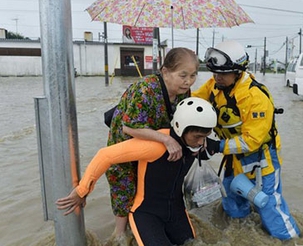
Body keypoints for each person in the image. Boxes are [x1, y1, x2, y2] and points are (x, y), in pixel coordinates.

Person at [56, 97, 219, 246]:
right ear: (180, 128)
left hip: (176, 212)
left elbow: (221, 146)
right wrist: (82, 191)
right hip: (147, 215)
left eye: (205, 136)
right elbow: (104, 156)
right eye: (197, 136)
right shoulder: (156, 146)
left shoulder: (197, 144)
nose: (201, 141)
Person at [193, 40, 301, 240]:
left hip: (261, 160)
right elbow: (195, 102)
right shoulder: (214, 86)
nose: (217, 78)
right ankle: (242, 234)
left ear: (238, 71)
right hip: (233, 159)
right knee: (231, 199)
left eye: (223, 74)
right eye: (214, 73)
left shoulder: (255, 97)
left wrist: (217, 146)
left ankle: (291, 240)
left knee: (269, 205)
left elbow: (252, 141)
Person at [105, 47, 199, 244]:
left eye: (193, 75)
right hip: (128, 141)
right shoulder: (146, 89)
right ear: (165, 71)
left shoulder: (184, 92)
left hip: (153, 142)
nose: (188, 81)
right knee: (124, 184)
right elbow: (129, 128)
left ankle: (150, 222)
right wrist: (166, 139)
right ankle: (120, 233)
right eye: (183, 75)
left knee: (148, 186)